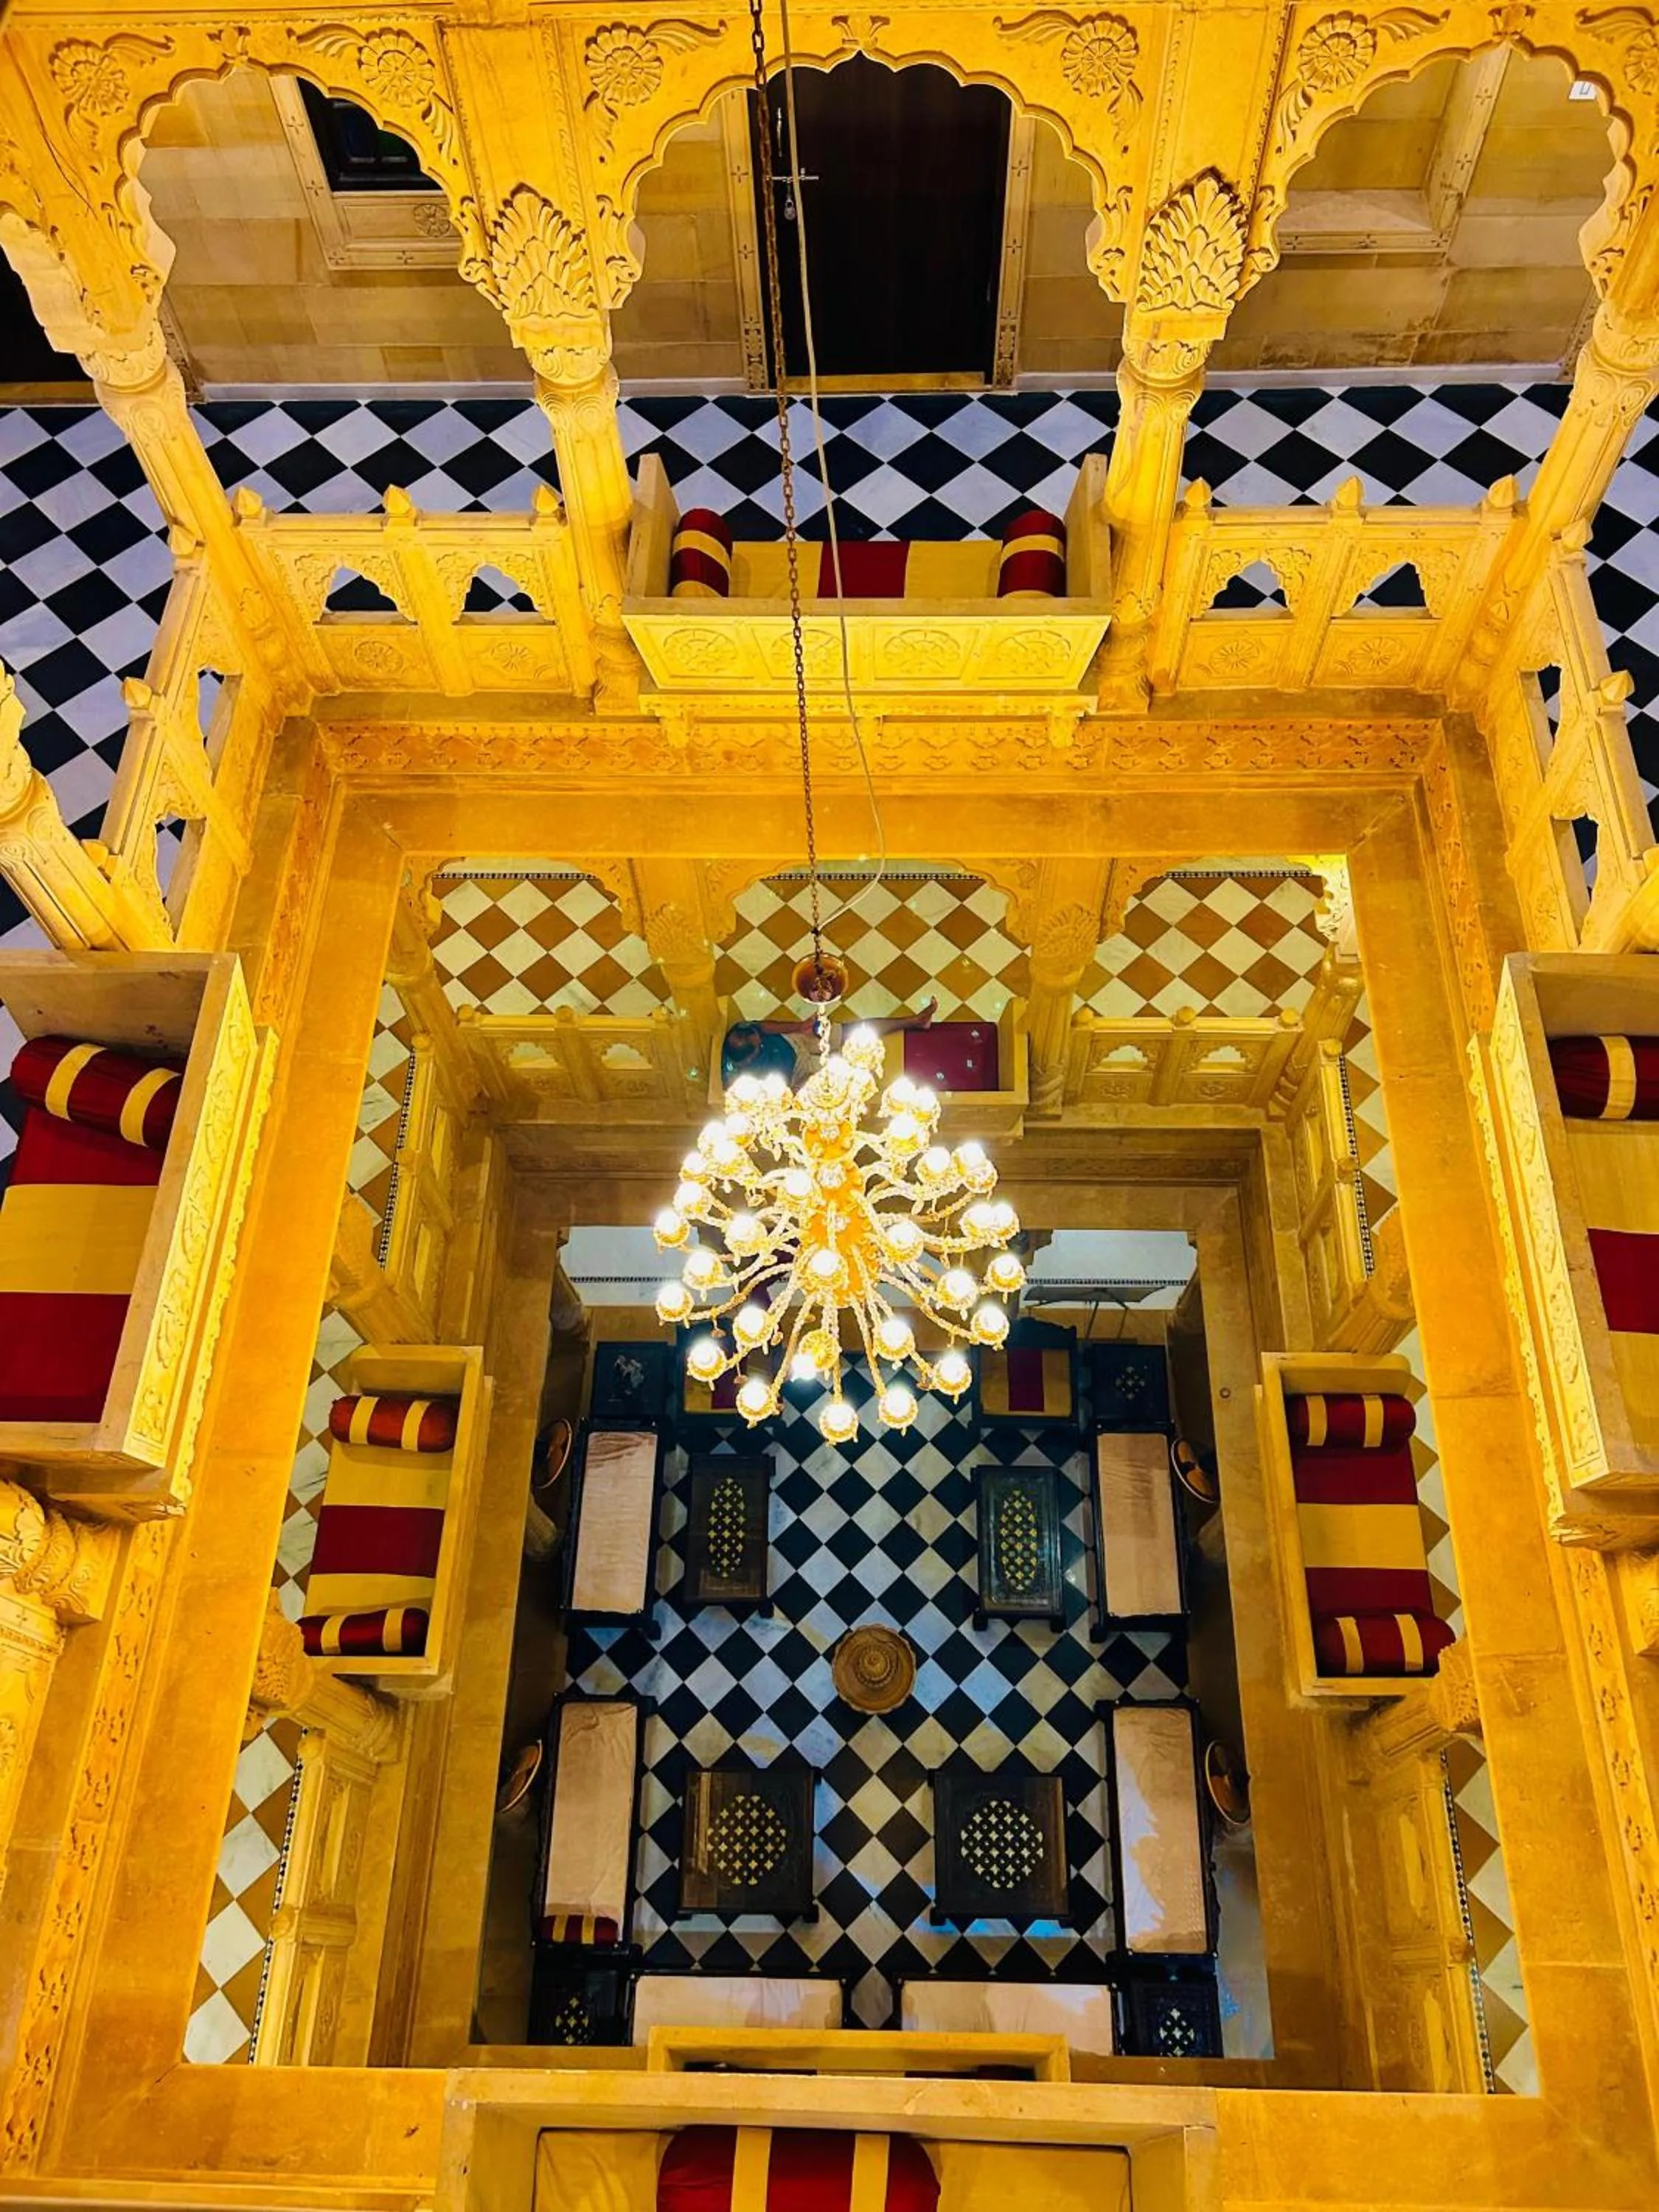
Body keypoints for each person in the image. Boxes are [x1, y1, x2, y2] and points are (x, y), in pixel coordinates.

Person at [719, 999, 938, 1091]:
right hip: (799, 1071)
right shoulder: (741, 1082)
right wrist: (802, 1086)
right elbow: (782, 1099)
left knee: (854, 1032)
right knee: (847, 1068)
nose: (761, 1043)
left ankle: (915, 1021)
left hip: (794, 1040)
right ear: (748, 1059)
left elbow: (764, 1028)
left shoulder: (743, 1032)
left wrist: (799, 1027)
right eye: (758, 1047)